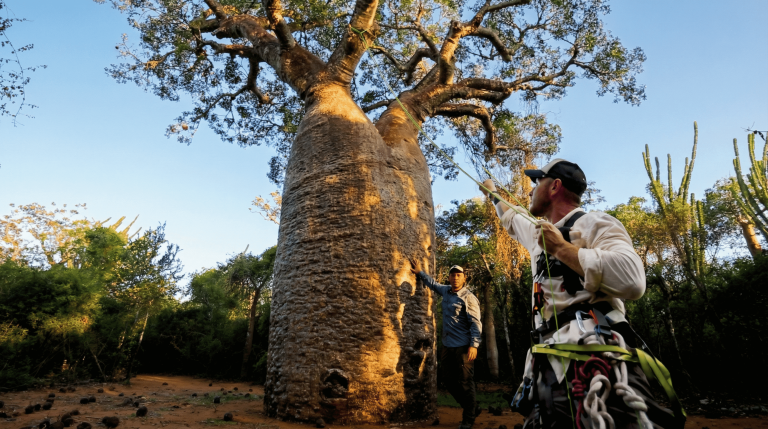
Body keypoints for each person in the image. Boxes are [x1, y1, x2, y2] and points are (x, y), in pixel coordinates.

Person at [480, 159, 683, 429]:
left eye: (536, 182)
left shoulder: (595, 223)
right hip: (548, 366)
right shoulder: (537, 234)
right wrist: (492, 192)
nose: (530, 191)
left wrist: (561, 249)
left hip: (598, 360)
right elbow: (511, 217)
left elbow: (633, 280)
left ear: (554, 186)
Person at [409, 262, 482, 429]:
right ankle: (472, 407)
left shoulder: (468, 298)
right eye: (452, 275)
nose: (455, 278)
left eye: (458, 275)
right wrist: (420, 273)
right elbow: (433, 284)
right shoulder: (446, 292)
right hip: (448, 345)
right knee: (448, 380)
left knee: (465, 381)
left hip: (464, 346)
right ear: (449, 277)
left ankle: (468, 419)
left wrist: (474, 345)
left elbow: (475, 323)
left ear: (464, 278)